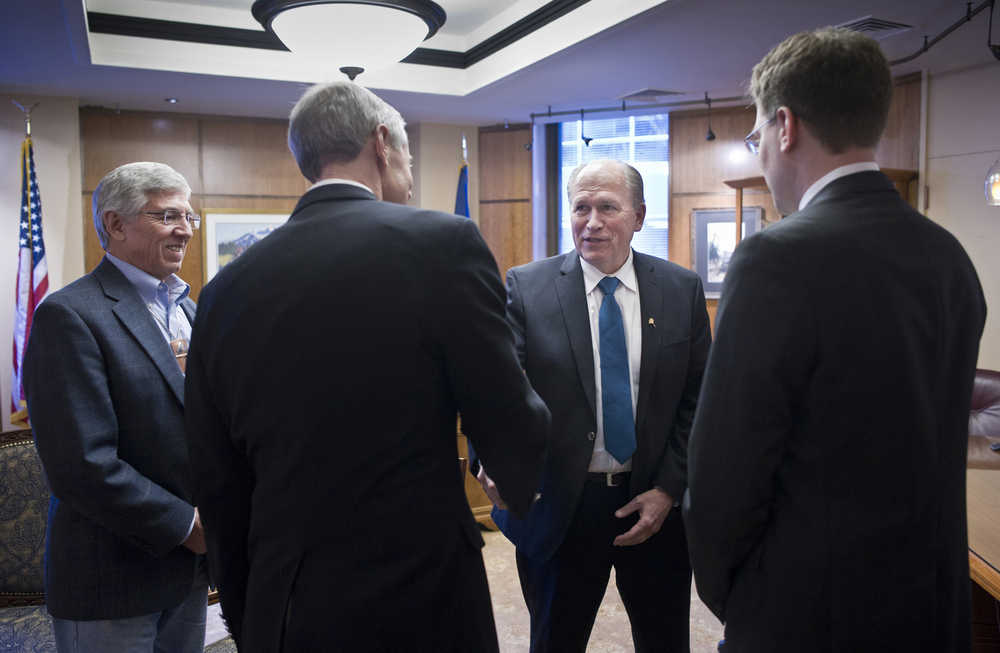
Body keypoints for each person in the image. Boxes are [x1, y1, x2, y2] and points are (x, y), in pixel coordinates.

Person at [183, 81, 549, 653]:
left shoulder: (225, 287)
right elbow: (503, 403)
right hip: (423, 594)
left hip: (288, 601)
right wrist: (516, 481)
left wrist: (247, 608)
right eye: (406, 153)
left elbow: (215, 469)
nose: (407, 168)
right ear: (382, 143)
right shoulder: (441, 244)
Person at [683, 27, 987, 652]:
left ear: (785, 126)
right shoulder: (950, 256)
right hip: (932, 609)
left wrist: (738, 599)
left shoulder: (774, 258)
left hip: (808, 617)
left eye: (757, 134)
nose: (761, 152)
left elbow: (723, 476)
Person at [475, 159, 711, 652]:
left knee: (665, 640)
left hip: (653, 508)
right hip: (562, 505)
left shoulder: (680, 290)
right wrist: (494, 460)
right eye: (581, 207)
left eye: (608, 207)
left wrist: (669, 488)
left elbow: (698, 399)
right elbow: (496, 389)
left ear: (639, 216)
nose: (592, 221)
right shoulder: (528, 286)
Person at [23, 162, 208, 652]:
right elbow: (82, 465)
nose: (184, 229)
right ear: (115, 224)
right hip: (112, 578)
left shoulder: (190, 309)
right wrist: (187, 526)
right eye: (168, 215)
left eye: (190, 217)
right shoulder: (69, 315)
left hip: (187, 573)